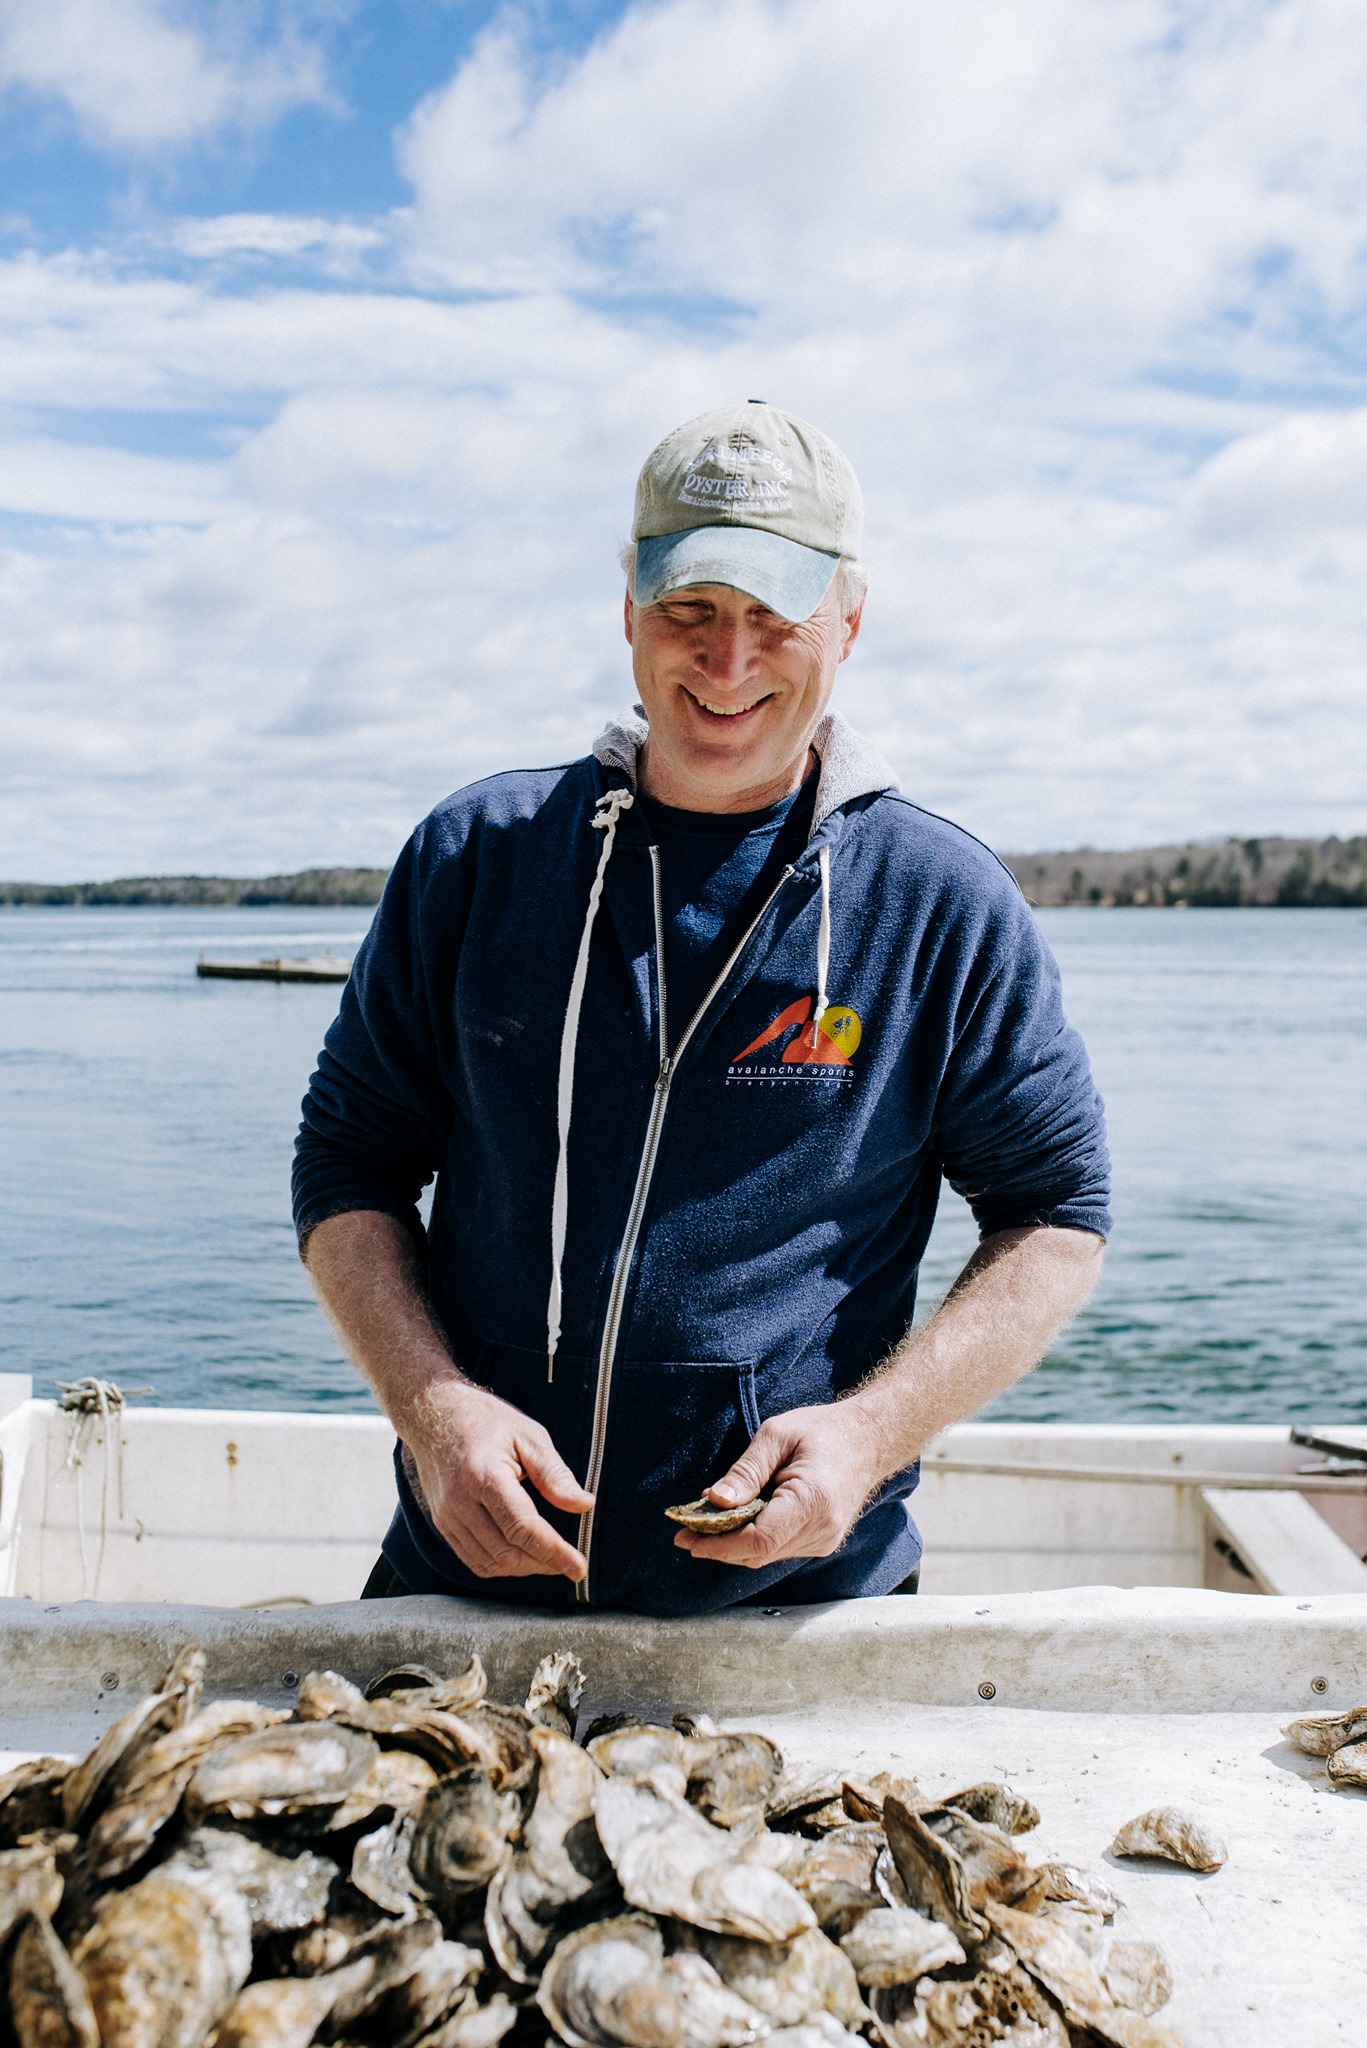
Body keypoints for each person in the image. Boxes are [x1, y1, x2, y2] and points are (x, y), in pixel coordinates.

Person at [293, 401, 1110, 1614]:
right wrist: (435, 1407)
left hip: (800, 1612)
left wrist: (867, 1434)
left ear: (848, 620)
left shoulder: (939, 901)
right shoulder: (474, 858)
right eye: (690, 610)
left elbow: (1053, 1213)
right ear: (628, 607)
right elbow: (347, 1161)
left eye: (774, 616)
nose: (728, 662)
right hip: (457, 1588)